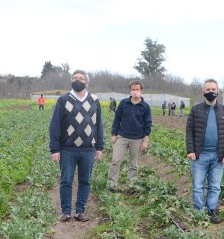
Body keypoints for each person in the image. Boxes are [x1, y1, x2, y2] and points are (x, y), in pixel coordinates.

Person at [49, 70, 104, 222]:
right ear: (71, 81)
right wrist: (55, 149)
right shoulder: (63, 100)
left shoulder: (94, 100)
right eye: (75, 78)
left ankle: (80, 211)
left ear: (87, 82)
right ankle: (66, 211)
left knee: (85, 181)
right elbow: (55, 125)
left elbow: (98, 125)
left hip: (88, 149)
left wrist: (99, 147)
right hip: (67, 148)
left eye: (81, 78)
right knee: (66, 180)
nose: (78, 81)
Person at [186, 79, 224, 223]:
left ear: (218, 91)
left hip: (218, 156)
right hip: (199, 155)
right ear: (203, 92)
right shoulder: (196, 109)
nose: (211, 92)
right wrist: (190, 150)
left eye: (213, 89)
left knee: (215, 186)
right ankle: (198, 212)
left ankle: (211, 211)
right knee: (198, 186)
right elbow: (189, 131)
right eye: (208, 90)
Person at [107, 80, 152, 191]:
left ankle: (131, 185)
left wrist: (146, 140)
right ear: (130, 91)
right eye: (133, 89)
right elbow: (117, 119)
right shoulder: (123, 103)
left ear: (141, 91)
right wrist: (114, 134)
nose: (135, 92)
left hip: (137, 139)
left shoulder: (145, 107)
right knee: (115, 161)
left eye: (137, 89)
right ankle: (112, 184)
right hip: (122, 137)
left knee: (134, 164)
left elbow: (148, 124)